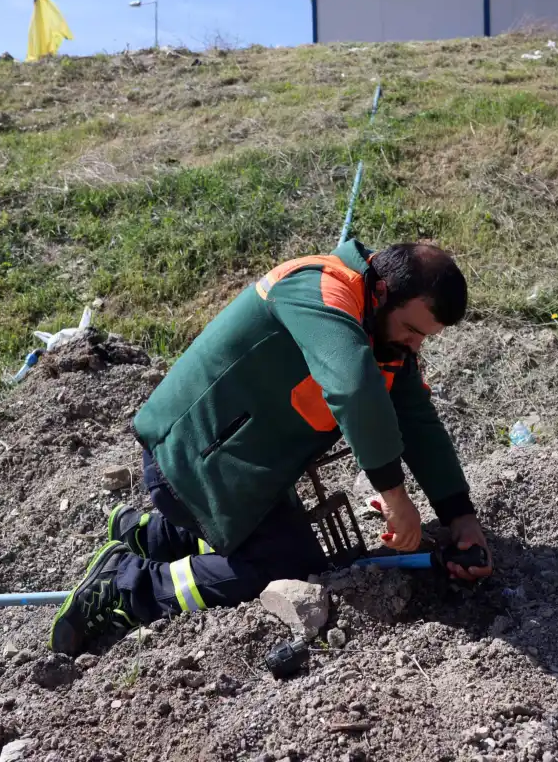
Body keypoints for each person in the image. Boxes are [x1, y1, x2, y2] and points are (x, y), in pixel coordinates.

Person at [48, 239, 493, 656]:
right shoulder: (319, 290)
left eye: (424, 338)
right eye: (412, 329)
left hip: (238, 472)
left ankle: (148, 534)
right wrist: (395, 497)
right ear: (382, 290)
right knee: (284, 567)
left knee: (282, 547)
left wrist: (460, 516)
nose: (415, 345)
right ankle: (127, 583)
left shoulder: (385, 335)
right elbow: (354, 387)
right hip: (191, 459)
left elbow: (418, 422)